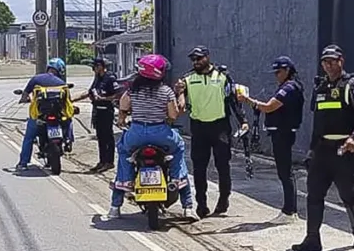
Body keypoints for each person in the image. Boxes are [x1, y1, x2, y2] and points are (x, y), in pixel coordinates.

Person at [292, 44, 354, 251]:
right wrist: (311, 151)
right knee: (314, 194)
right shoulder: (321, 88)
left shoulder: (350, 85)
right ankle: (312, 239)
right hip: (322, 150)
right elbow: (318, 124)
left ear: (341, 61)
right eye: (325, 62)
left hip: (343, 150)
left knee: (348, 195)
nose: (328, 65)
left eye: (332, 61)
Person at [107, 54, 194, 219]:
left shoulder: (133, 90)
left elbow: (123, 108)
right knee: (179, 148)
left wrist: (122, 119)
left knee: (124, 153)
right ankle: (182, 194)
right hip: (161, 133)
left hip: (136, 132)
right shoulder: (166, 91)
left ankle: (116, 204)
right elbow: (173, 115)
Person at [175, 46, 248, 219]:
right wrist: (180, 93)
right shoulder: (187, 78)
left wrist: (243, 121)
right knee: (199, 168)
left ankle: (224, 200)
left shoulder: (222, 77)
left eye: (199, 58)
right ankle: (201, 204)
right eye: (193, 59)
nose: (196, 62)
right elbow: (180, 98)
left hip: (220, 127)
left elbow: (233, 101)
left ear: (207, 57)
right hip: (199, 128)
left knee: (223, 166)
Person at [237, 55, 305, 223]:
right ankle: (289, 210)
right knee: (284, 172)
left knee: (285, 172)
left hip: (284, 133)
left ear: (287, 71)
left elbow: (269, 107)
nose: (276, 75)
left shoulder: (289, 88)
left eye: (279, 72)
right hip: (280, 132)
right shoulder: (287, 86)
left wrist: (248, 100)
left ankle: (289, 212)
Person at [15, 57, 74, 172]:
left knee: (29, 138)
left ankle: (23, 163)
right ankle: (68, 140)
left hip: (40, 116)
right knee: (70, 120)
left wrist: (23, 99)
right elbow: (68, 101)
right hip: (58, 117)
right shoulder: (62, 83)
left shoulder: (36, 79)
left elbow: (25, 94)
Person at [72, 57, 118, 173]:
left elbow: (116, 95)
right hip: (97, 111)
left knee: (108, 137)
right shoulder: (97, 78)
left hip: (106, 111)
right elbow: (90, 92)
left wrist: (104, 98)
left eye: (95, 67)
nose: (94, 69)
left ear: (101, 66)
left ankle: (109, 162)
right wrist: (73, 99)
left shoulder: (110, 78)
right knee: (100, 137)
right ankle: (102, 161)